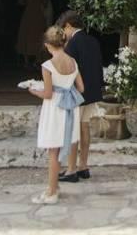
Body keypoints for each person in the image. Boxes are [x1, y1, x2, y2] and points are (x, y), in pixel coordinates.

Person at [26, 26, 85, 205]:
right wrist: (67, 89)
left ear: (47, 45)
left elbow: (48, 94)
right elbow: (81, 88)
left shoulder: (48, 65)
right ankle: (54, 186)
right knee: (59, 149)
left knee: (53, 151)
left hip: (55, 109)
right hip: (70, 108)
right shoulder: (73, 62)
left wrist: (33, 90)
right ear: (64, 42)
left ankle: (52, 192)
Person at [58, 10, 104, 182]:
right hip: (92, 91)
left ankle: (71, 170)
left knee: (73, 130)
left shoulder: (72, 45)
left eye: (64, 30)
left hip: (77, 92)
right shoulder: (93, 40)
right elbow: (98, 66)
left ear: (68, 26)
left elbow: (69, 71)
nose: (64, 35)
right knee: (84, 127)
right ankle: (83, 166)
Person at [16, 0, 52, 68]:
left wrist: (28, 2)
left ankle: (26, 61)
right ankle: (37, 60)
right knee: (38, 37)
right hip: (38, 16)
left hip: (28, 15)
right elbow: (45, 4)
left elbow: (20, 1)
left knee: (25, 36)